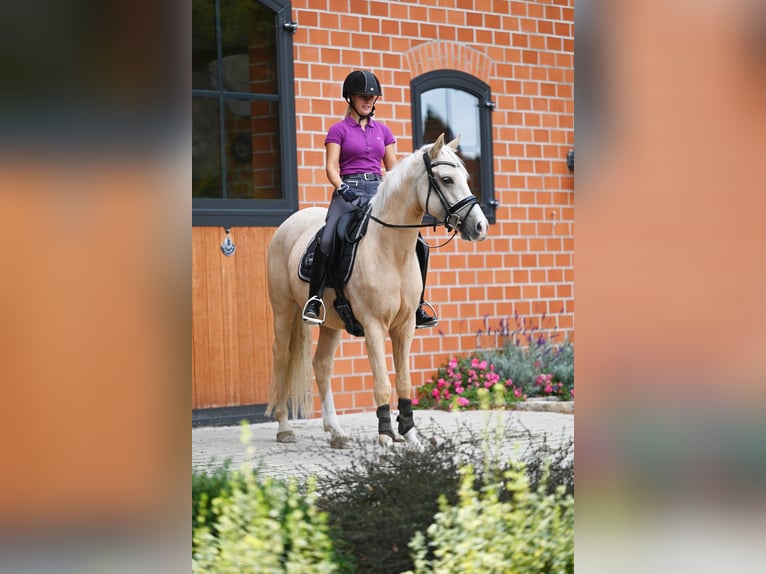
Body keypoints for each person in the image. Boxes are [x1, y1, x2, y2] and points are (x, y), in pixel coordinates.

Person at [301, 69, 438, 329]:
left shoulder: (383, 132)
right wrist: (343, 189)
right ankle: (315, 299)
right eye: (363, 96)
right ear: (350, 98)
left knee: (420, 243)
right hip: (348, 190)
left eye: (372, 97)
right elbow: (331, 168)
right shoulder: (338, 130)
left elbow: (393, 170)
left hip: (378, 191)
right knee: (328, 236)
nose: (368, 101)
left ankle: (417, 304)